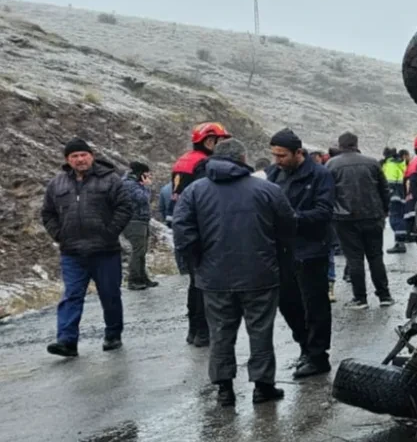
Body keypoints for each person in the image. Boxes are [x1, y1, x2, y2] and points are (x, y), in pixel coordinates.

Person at [171, 139, 296, 407]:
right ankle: (263, 387)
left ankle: (224, 389)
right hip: (260, 275)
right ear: (243, 157)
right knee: (261, 332)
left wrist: (197, 264)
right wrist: (277, 257)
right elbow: (288, 227)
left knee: (220, 333)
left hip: (214, 278)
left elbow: (182, 232)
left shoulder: (194, 192)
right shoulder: (267, 189)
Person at [41, 138, 132, 357]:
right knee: (72, 295)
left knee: (109, 295)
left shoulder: (110, 180)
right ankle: (66, 341)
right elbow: (48, 213)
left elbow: (124, 207)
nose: (80, 159)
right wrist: (59, 234)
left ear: (91, 156)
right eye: (74, 156)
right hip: (72, 253)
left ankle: (113, 334)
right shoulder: (57, 184)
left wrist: (109, 232)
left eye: (83, 155)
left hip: (105, 251)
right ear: (67, 160)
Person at [266, 129, 337, 378]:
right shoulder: (274, 174)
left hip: (311, 250)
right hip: (281, 251)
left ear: (298, 153)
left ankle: (318, 356)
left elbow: (324, 212)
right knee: (288, 303)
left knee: (315, 305)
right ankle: (305, 347)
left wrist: (291, 219)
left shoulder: (320, 175)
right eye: (274, 155)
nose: (278, 160)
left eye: (282, 155)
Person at [172, 121, 232, 347]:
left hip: (185, 229)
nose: (223, 145)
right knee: (205, 284)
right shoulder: (205, 165)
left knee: (194, 283)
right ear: (209, 141)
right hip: (203, 231)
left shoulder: (184, 161)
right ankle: (203, 331)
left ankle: (194, 331)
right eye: (220, 140)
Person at [326, 132, 393, 308]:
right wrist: (385, 210)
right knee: (376, 257)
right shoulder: (372, 162)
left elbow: (327, 193)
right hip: (373, 216)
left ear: (340, 145)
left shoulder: (331, 165)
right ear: (356, 143)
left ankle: (360, 298)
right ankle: (384, 296)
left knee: (354, 259)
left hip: (345, 220)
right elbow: (384, 189)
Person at [119, 161, 158, 291]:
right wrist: (147, 187)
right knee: (137, 251)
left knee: (142, 251)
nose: (149, 177)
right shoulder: (129, 184)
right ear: (141, 174)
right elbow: (142, 199)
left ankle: (143, 278)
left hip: (141, 220)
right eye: (147, 174)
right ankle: (134, 280)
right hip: (133, 221)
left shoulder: (135, 184)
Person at [382, 148, 408, 254]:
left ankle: (400, 243)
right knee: (399, 218)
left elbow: (390, 183)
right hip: (401, 195)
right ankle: (400, 241)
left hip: (394, 196)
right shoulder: (400, 164)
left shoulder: (390, 165)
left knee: (395, 219)